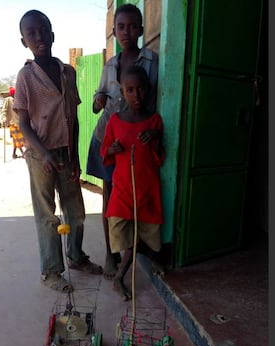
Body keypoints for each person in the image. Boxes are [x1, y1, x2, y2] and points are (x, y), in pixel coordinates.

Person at [13, 9, 102, 292]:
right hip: (41, 156)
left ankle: (76, 256)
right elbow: (24, 123)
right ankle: (51, 271)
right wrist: (45, 153)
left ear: (52, 33)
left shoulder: (68, 72)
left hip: (65, 153)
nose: (39, 37)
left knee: (75, 210)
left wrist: (74, 157)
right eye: (31, 33)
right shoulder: (25, 76)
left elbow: (72, 119)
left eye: (43, 30)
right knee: (47, 215)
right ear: (24, 40)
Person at [86, 3, 159, 280]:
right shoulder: (110, 65)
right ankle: (110, 254)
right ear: (114, 31)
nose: (126, 32)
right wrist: (98, 100)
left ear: (140, 29)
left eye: (132, 26)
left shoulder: (151, 62)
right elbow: (97, 101)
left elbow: (153, 102)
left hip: (134, 141)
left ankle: (138, 249)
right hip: (106, 138)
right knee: (109, 199)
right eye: (120, 27)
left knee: (135, 196)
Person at [100, 65, 166, 301]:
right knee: (122, 235)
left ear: (147, 90)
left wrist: (155, 139)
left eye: (140, 89)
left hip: (147, 189)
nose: (136, 95)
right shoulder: (116, 121)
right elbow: (104, 151)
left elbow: (159, 157)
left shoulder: (155, 121)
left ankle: (120, 277)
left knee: (142, 234)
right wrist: (112, 148)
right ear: (122, 92)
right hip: (123, 191)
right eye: (130, 90)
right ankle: (153, 258)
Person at [1, 86, 25, 159]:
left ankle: (14, 154)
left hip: (19, 123)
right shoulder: (8, 100)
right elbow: (4, 110)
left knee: (16, 140)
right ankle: (23, 153)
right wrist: (4, 118)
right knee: (18, 139)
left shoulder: (18, 100)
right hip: (12, 123)